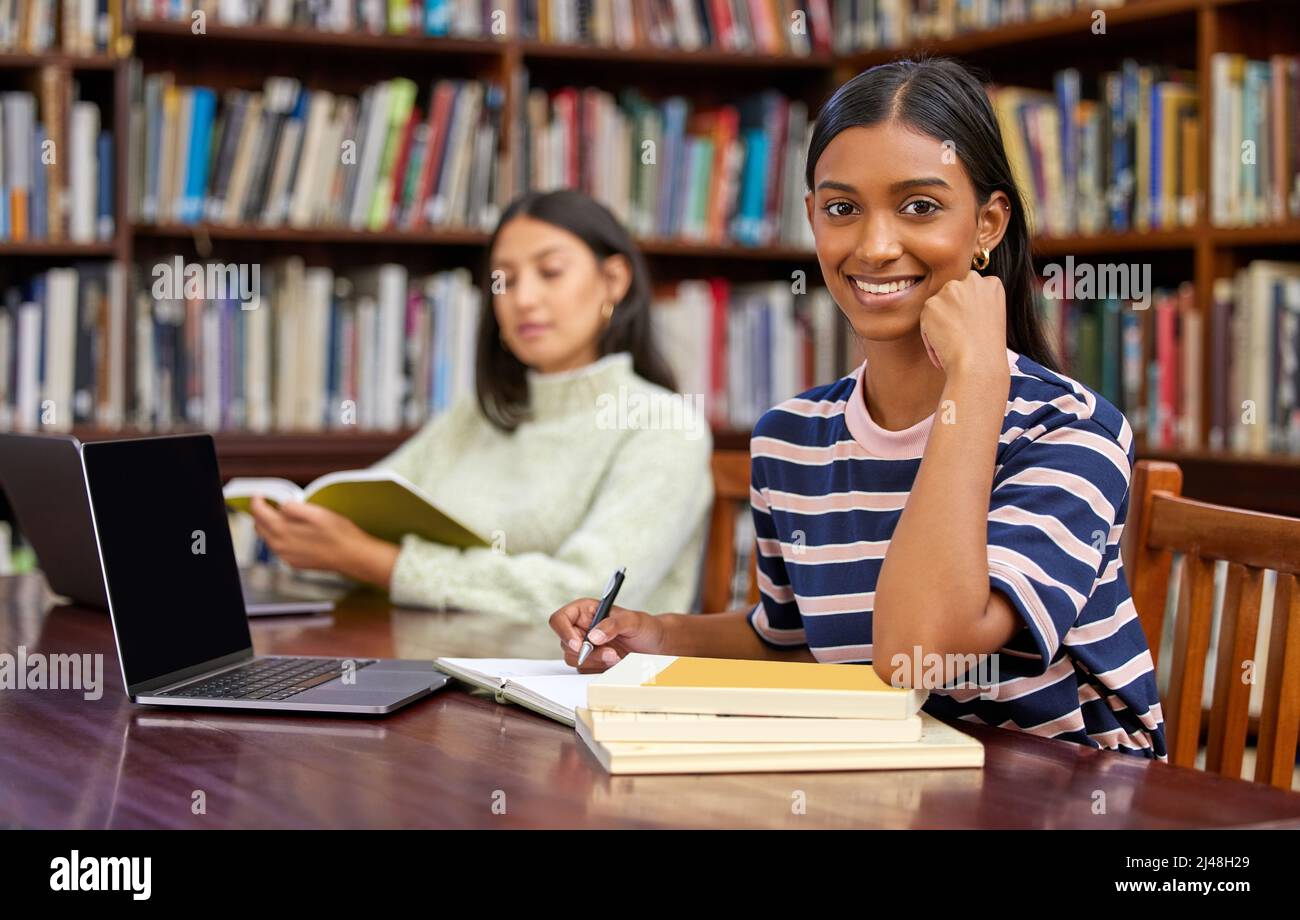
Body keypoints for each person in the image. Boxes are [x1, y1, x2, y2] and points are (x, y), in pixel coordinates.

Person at [547, 58, 1167, 759]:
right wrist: (660, 635)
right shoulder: (791, 439)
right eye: (842, 209)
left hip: (1066, 796)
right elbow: (790, 640)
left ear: (989, 223)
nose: (874, 246)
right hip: (888, 779)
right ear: (813, 218)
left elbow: (915, 652)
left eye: (920, 207)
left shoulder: (1073, 432)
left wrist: (976, 381)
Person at [251, 189, 713, 621]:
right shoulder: (477, 414)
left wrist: (380, 564)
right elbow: (356, 519)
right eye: (504, 281)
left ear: (613, 280)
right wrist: (309, 537)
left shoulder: (667, 427)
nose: (523, 299)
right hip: (437, 663)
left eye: (550, 272)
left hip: (576, 693)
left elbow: (587, 598)